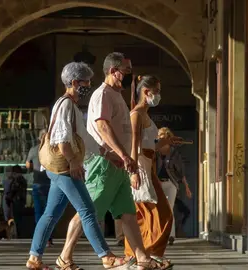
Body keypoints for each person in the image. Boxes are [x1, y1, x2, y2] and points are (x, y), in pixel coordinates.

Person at [59, 52, 167, 270]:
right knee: (87, 212)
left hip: (119, 166)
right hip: (105, 163)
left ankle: (142, 258)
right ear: (113, 71)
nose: (130, 75)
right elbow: (102, 126)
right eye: (126, 71)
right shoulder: (103, 95)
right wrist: (123, 155)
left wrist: (126, 158)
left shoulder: (117, 95)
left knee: (127, 213)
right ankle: (64, 257)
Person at [26, 62, 127, 270]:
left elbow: (85, 139)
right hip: (65, 168)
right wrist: (74, 162)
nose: (88, 85)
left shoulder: (70, 105)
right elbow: (63, 141)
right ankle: (106, 257)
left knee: (51, 213)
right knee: (88, 211)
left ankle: (35, 258)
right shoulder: (65, 105)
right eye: (85, 82)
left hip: (58, 169)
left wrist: (107, 154)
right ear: (73, 82)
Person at [124, 75, 174, 269]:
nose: (159, 95)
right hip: (141, 166)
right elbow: (134, 144)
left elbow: (150, 143)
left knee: (146, 215)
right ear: (147, 92)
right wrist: (133, 171)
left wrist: (167, 142)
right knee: (157, 214)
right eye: (157, 91)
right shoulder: (136, 114)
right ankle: (148, 255)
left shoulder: (145, 115)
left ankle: (140, 256)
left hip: (148, 165)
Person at [156, 127, 192, 245]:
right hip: (157, 183)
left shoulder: (173, 153)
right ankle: (158, 235)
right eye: (160, 138)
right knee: (157, 209)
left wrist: (186, 187)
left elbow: (181, 171)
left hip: (170, 183)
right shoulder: (155, 151)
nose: (162, 141)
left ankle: (170, 235)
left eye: (165, 138)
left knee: (169, 209)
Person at [26, 129, 54, 247]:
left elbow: (28, 165)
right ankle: (48, 238)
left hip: (37, 183)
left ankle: (39, 239)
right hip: (50, 184)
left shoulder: (33, 149)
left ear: (39, 138)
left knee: (39, 212)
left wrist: (33, 168)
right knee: (50, 212)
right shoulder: (53, 149)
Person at [3, 165, 27, 238]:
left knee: (16, 219)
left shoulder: (16, 180)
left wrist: (8, 198)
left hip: (16, 201)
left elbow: (13, 190)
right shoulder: (23, 180)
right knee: (19, 218)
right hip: (21, 201)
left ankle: (17, 234)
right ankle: (19, 234)